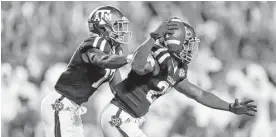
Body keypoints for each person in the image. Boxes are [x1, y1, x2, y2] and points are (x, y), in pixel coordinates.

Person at [99, 17, 258, 137]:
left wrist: (229, 107)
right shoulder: (158, 57)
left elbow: (200, 94)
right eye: (188, 44)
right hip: (118, 116)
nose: (191, 49)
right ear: (177, 42)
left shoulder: (177, 69)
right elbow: (137, 66)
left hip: (129, 119)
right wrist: (153, 37)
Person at [41, 5, 134, 137]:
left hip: (73, 109)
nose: (121, 31)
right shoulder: (94, 43)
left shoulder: (114, 52)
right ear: (103, 27)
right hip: (61, 103)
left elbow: (118, 90)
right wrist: (129, 59)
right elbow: (102, 60)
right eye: (117, 26)